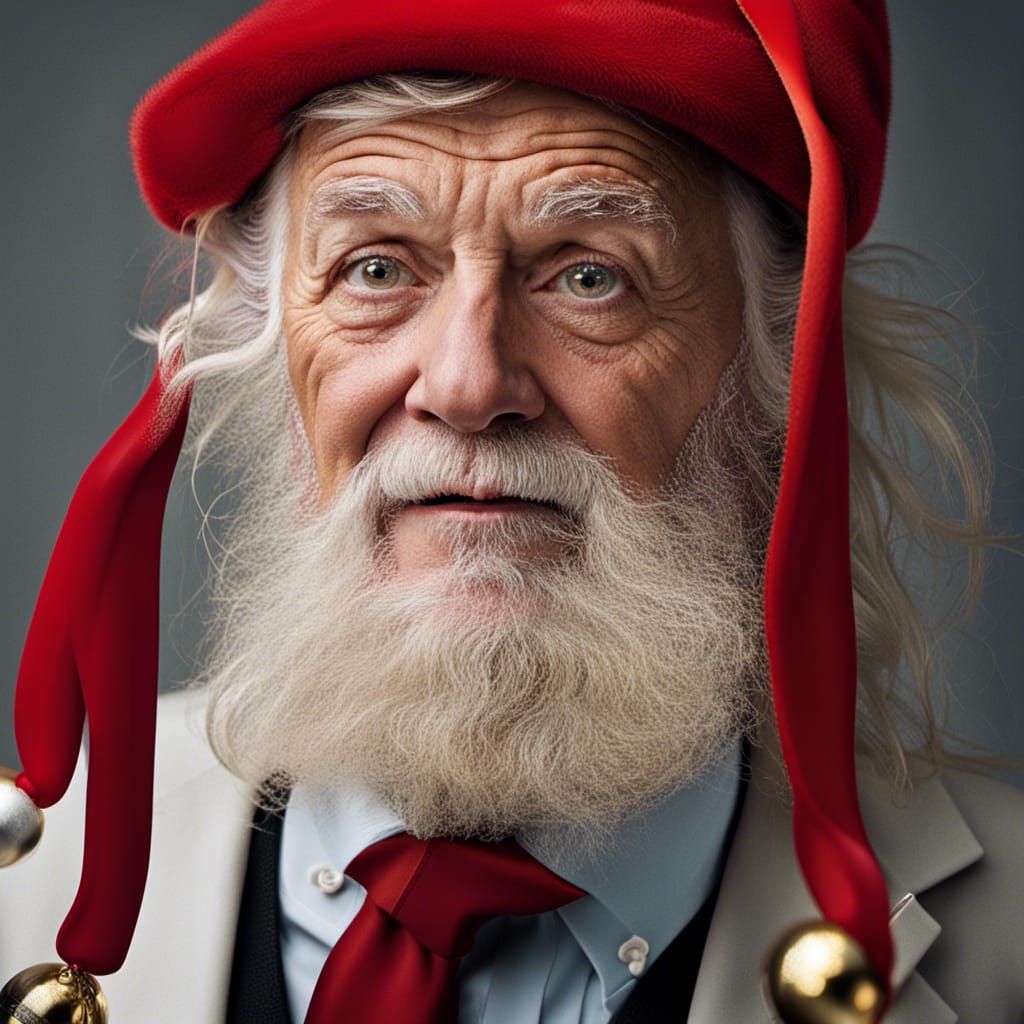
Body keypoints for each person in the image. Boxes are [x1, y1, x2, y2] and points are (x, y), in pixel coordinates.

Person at [1, 2, 1022, 1022]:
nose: (466, 381)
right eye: (375, 268)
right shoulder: (18, 888)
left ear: (775, 368)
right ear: (271, 349)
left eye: (590, 275)